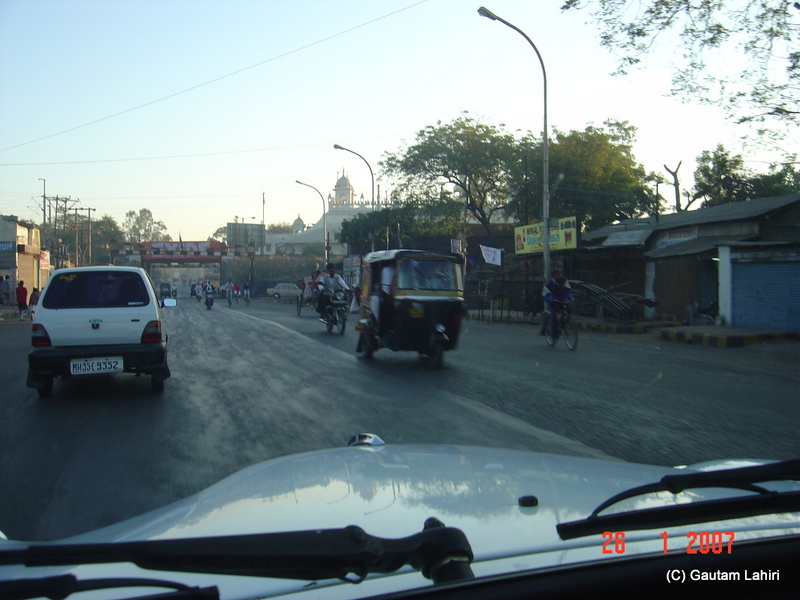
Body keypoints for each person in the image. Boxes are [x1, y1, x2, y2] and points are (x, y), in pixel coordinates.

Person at [541, 269, 573, 339]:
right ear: (553, 276)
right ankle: (554, 335)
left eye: (559, 274)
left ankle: (565, 322)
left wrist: (570, 298)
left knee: (568, 309)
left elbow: (567, 290)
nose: (558, 276)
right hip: (553, 302)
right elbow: (545, 294)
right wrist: (550, 300)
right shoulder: (550, 283)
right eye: (557, 275)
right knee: (554, 317)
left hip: (562, 301)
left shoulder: (564, 281)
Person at [369, 262, 395, 331]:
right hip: (388, 292)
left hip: (388, 293)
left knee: (374, 299)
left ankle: (378, 322)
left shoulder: (386, 270)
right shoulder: (392, 270)